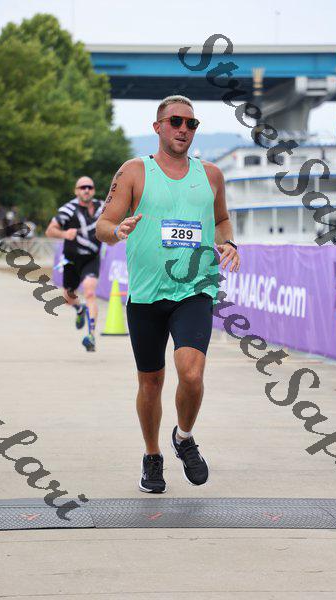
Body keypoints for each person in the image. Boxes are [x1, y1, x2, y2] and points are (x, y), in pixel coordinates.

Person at [96, 95, 240, 493]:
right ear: (157, 127)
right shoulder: (133, 171)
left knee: (191, 374)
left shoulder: (211, 175)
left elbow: (222, 220)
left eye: (191, 123)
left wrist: (229, 242)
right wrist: (118, 231)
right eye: (175, 121)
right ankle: (152, 455)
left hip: (195, 288)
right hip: (147, 295)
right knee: (151, 382)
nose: (183, 129)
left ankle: (184, 437)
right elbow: (103, 226)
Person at [46, 176, 104, 352]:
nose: (86, 190)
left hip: (91, 258)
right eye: (82, 187)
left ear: (93, 190)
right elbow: (50, 231)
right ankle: (79, 309)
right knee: (68, 297)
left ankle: (91, 336)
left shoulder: (102, 207)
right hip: (71, 259)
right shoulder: (68, 209)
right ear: (76, 191)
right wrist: (64, 234)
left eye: (89, 187)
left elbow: (112, 222)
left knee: (89, 291)